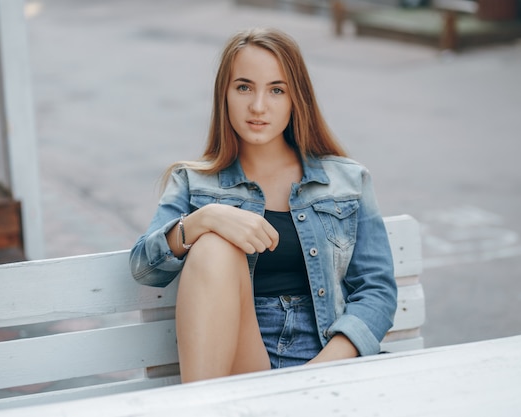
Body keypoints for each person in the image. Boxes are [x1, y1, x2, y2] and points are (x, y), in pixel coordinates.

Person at [129, 27, 397, 383]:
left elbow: (376, 291)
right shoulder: (193, 182)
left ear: (295, 98)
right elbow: (144, 267)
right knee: (212, 244)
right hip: (237, 362)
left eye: (276, 90)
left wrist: (317, 371)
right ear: (224, 95)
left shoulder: (347, 181)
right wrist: (205, 219)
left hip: (327, 358)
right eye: (244, 87)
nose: (258, 106)